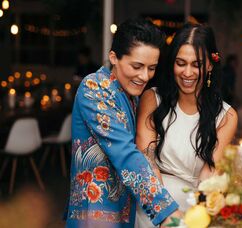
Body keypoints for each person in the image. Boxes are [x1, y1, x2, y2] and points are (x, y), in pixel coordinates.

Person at [65, 19, 182, 228]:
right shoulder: (94, 87)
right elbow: (125, 152)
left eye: (152, 68)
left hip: (124, 214)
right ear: (113, 57)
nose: (144, 76)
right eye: (137, 66)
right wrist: (164, 211)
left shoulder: (131, 95)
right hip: (94, 216)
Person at [135, 23, 238, 227]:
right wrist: (165, 212)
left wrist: (195, 217)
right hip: (154, 201)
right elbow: (147, 160)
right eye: (180, 63)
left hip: (194, 208)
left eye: (196, 64)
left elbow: (209, 175)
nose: (187, 73)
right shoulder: (152, 99)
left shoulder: (227, 116)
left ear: (209, 65)